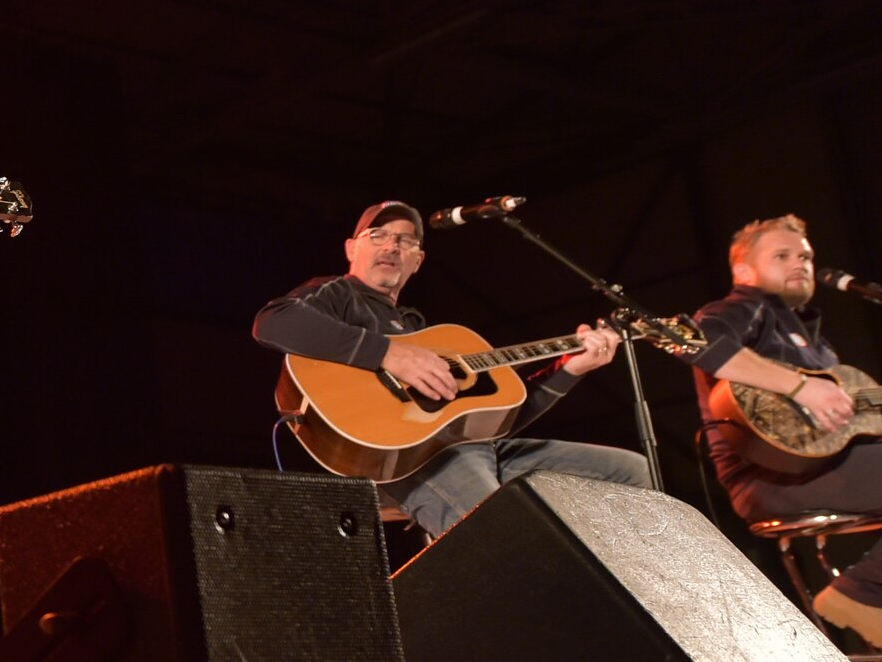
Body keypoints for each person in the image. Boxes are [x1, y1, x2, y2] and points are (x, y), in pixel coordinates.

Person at [252, 200, 650, 537]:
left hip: (470, 449)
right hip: (410, 461)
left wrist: (570, 369)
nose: (391, 245)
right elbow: (273, 322)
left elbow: (494, 422)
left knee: (632, 471)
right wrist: (387, 354)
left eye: (405, 240)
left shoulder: (420, 330)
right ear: (351, 248)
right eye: (378, 235)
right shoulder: (338, 294)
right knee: (505, 530)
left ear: (418, 261)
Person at [689, 213, 882, 651]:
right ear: (744, 270)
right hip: (770, 479)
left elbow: (852, 427)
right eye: (781, 255)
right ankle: (864, 593)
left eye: (804, 255)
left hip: (825, 467)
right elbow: (699, 342)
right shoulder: (740, 308)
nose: (799, 263)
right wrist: (801, 387)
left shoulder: (814, 343)